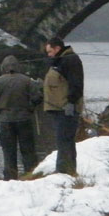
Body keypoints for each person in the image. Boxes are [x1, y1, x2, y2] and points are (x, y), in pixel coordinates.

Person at [0, 55, 42, 180]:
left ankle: (10, 179)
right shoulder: (27, 80)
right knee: (28, 151)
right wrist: (30, 107)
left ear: (3, 68)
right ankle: (31, 177)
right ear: (18, 67)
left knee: (8, 153)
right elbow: (37, 98)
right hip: (24, 120)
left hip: (6, 122)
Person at [43, 37, 84, 175]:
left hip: (66, 109)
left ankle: (64, 170)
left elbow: (76, 84)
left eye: (50, 52)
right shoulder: (60, 61)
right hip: (58, 108)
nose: (48, 55)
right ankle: (67, 169)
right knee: (62, 140)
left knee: (65, 140)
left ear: (57, 48)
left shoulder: (71, 60)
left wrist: (71, 102)